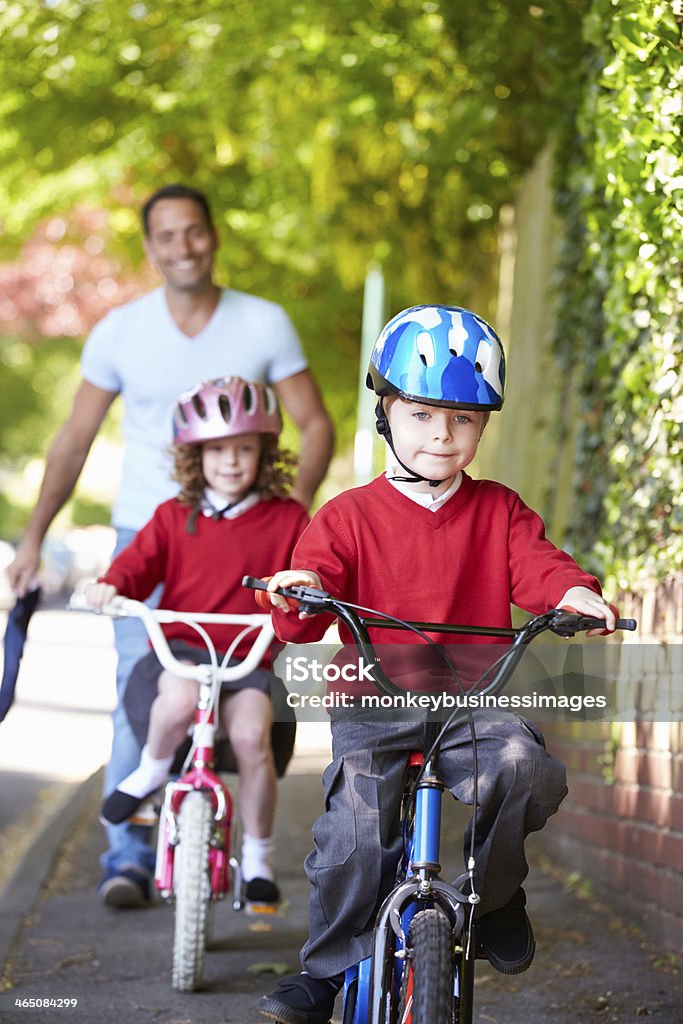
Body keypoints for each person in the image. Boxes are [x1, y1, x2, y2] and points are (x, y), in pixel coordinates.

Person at [256, 304, 618, 1024]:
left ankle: (498, 896)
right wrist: (304, 591)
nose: (442, 436)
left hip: (471, 704)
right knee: (354, 834)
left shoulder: (499, 512)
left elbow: (539, 567)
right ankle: (324, 973)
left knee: (525, 769)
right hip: (373, 701)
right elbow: (306, 593)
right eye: (422, 415)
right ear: (386, 414)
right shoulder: (347, 515)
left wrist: (572, 591)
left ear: (482, 427)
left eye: (463, 420)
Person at [7, 183, 334, 908]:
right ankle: (126, 855)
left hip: (248, 538)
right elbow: (73, 440)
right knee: (145, 695)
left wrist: (290, 520)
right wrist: (34, 538)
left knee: (246, 716)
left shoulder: (264, 323)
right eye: (166, 236)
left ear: (212, 237)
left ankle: (240, 849)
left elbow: (314, 425)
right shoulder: (121, 331)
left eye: (194, 232)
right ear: (150, 247)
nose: (183, 246)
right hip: (149, 533)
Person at [85, 376, 309, 906]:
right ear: (195, 455)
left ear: (264, 454)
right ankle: (151, 772)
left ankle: (256, 858)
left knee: (254, 735)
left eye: (244, 449)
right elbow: (135, 567)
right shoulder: (172, 516)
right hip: (186, 649)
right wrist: (109, 587)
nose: (231, 462)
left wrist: (307, 592)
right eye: (217, 450)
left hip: (248, 655)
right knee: (179, 699)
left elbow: (309, 572)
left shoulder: (288, 519)